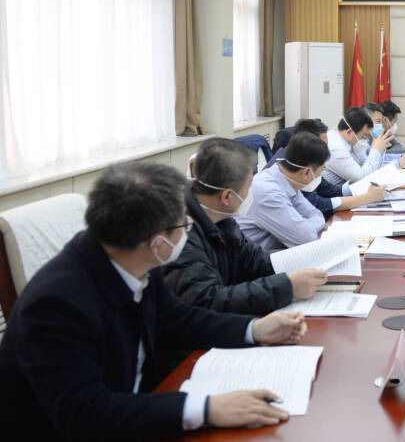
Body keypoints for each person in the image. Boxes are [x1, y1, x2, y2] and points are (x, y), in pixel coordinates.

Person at [0, 162, 307, 440]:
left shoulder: (131, 259)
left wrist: (254, 329)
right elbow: (85, 413)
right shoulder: (55, 305)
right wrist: (205, 409)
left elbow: (178, 319)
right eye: (184, 225)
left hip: (136, 412)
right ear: (157, 243)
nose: (188, 232)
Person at [163, 138, 328, 314]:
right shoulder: (181, 236)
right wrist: (287, 287)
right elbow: (210, 300)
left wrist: (312, 256)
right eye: (249, 187)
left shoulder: (223, 220)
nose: (251, 193)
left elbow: (257, 260)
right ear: (227, 197)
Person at [240, 132, 384, 249]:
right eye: (322, 170)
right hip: (259, 264)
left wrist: (305, 224)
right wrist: (304, 225)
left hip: (282, 249)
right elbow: (306, 238)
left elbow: (316, 215)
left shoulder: (286, 179)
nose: (322, 175)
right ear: (307, 172)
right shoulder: (268, 192)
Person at [266, 118, 350, 219]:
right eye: (324, 145)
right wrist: (363, 198)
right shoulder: (293, 168)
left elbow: (327, 190)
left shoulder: (306, 158)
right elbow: (316, 206)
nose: (326, 150)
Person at [323, 107, 405, 187]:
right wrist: (376, 150)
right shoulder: (335, 149)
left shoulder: (349, 141)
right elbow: (362, 178)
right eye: (363, 136)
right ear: (349, 132)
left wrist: (397, 161)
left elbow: (370, 166)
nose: (364, 140)